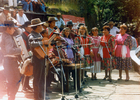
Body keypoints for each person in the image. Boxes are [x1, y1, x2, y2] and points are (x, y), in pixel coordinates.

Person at [28, 18, 48, 100]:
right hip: (36, 59)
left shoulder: (39, 35)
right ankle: (37, 97)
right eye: (40, 25)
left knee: (42, 78)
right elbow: (32, 44)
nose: (42, 26)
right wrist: (43, 42)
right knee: (37, 79)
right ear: (37, 27)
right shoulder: (31, 35)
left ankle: (42, 96)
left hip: (42, 58)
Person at [1, 20, 21, 100]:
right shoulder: (7, 37)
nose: (14, 30)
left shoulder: (4, 35)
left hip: (8, 61)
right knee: (16, 80)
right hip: (10, 61)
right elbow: (9, 51)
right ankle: (11, 97)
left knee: (11, 81)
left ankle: (11, 96)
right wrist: (19, 50)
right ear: (8, 28)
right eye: (13, 28)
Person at [20, 21, 33, 92]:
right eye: (30, 26)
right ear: (26, 27)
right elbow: (23, 46)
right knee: (25, 70)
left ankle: (27, 85)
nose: (31, 27)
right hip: (25, 54)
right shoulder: (23, 35)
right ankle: (24, 86)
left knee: (29, 70)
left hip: (30, 53)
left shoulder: (30, 34)